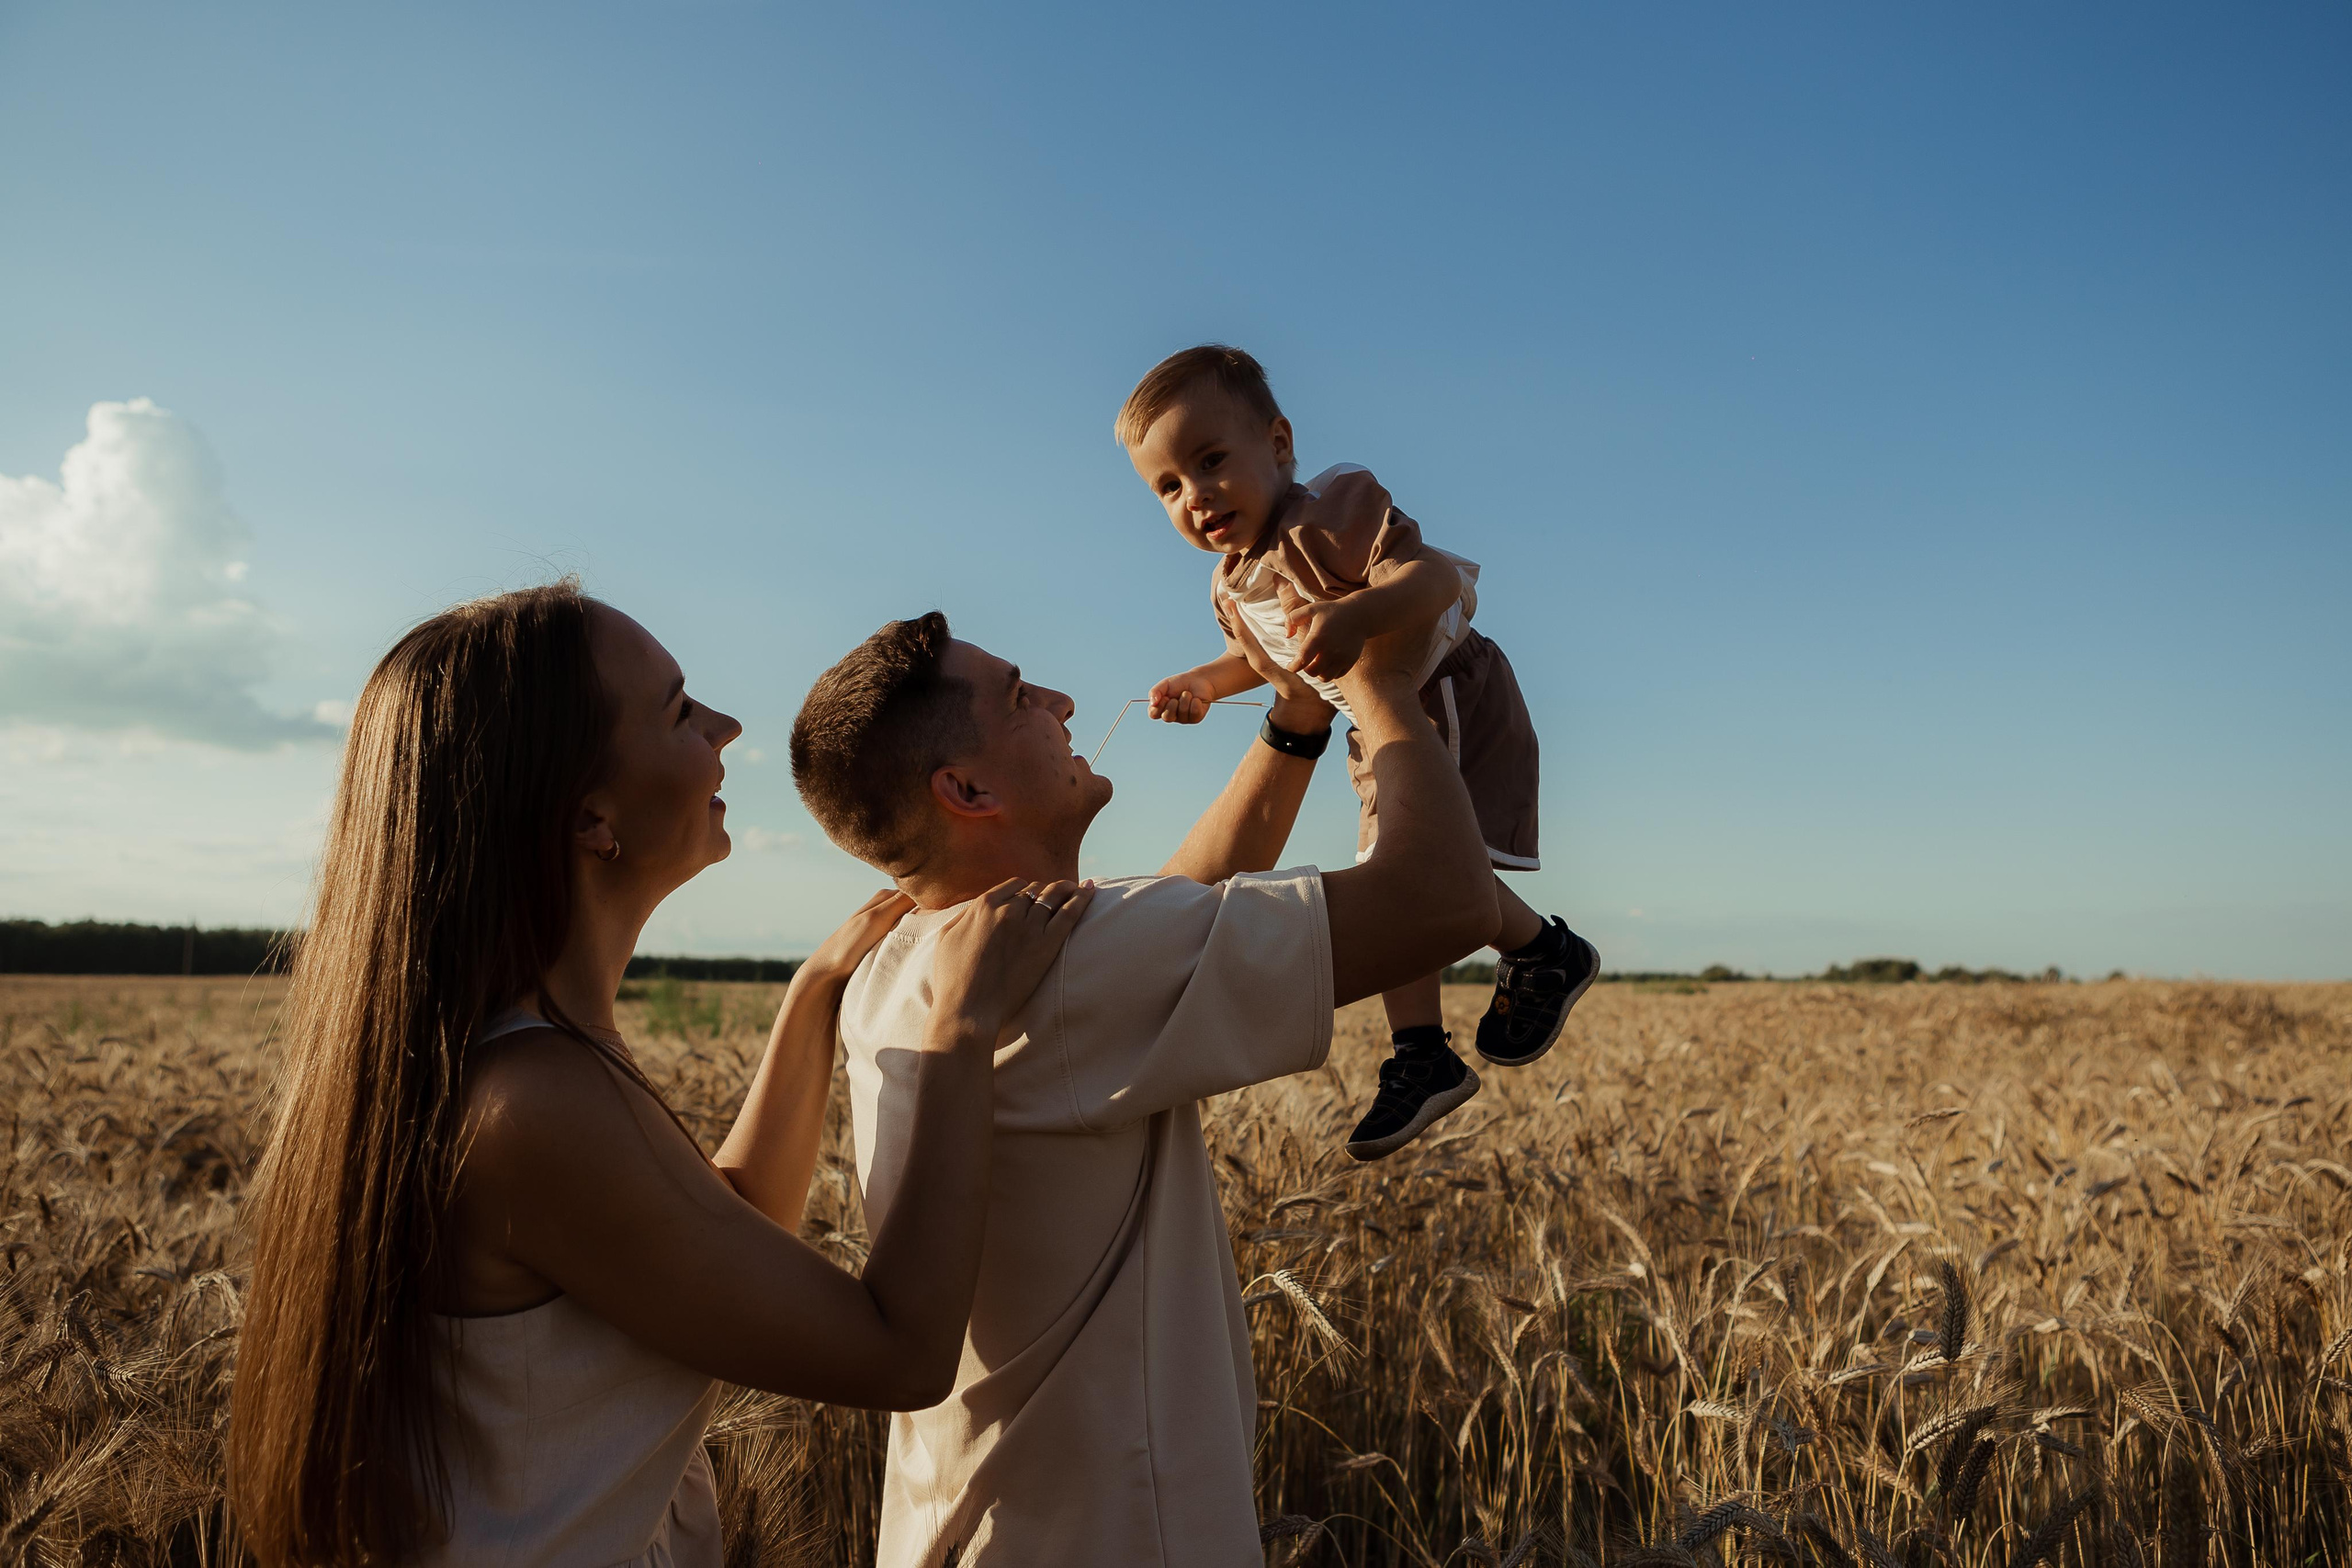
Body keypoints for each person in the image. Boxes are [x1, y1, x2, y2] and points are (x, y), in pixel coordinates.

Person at [227, 581, 1092, 1568]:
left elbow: (723, 1234)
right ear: (593, 816)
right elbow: (897, 1351)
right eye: (681, 709)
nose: (726, 726)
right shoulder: (530, 1105)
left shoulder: (525, 1060)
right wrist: (956, 1033)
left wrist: (810, 1002)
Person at [788, 601, 1498, 1565]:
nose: (1064, 701)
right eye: (1020, 698)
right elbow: (1445, 900)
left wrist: (1294, 721)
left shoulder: (906, 960)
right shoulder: (1075, 970)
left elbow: (1173, 918)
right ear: (964, 788)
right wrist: (1379, 681)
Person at [1117, 343, 1603, 1159]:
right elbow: (1268, 659)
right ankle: (1474, 1008)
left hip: (1441, 690)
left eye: (1209, 462)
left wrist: (1358, 617)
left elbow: (1433, 581)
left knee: (1414, 868)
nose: (1194, 496)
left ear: (1277, 445)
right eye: (1168, 486)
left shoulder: (1329, 512)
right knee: (1404, 873)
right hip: (1377, 723)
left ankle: (1468, 1014)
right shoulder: (1232, 584)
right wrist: (1204, 683)